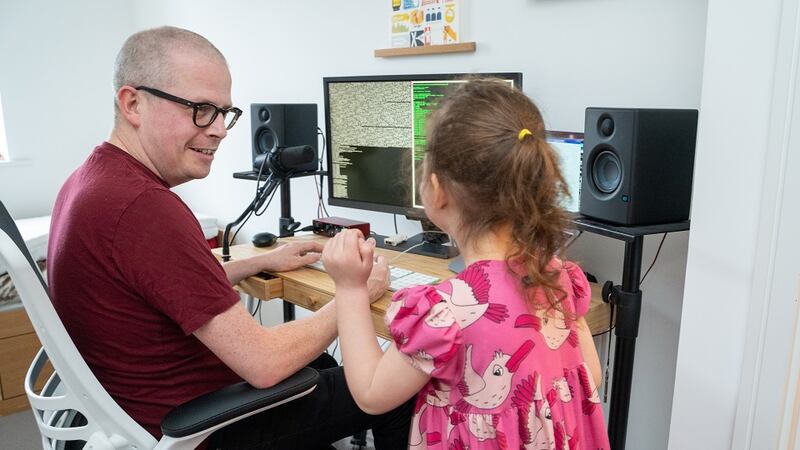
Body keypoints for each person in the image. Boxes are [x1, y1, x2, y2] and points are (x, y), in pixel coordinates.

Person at [47, 26, 412, 449]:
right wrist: (355, 292)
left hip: (150, 406)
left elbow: (158, 286)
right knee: (394, 388)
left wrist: (256, 262)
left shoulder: (93, 179)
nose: (220, 129)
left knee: (327, 365)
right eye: (201, 109)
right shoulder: (143, 207)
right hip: (199, 428)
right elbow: (265, 364)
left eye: (224, 112)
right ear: (133, 103)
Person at [322, 79, 611, 449]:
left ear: (437, 189)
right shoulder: (558, 278)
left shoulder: (446, 310)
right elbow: (591, 375)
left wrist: (349, 287)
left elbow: (370, 393)